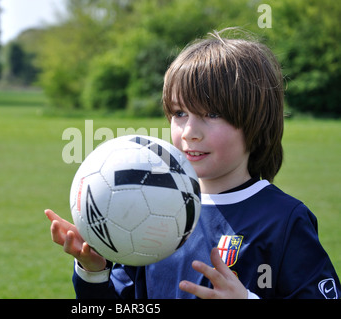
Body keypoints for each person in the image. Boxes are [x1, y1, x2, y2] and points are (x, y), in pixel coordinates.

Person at [44, 28, 340, 299]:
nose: (189, 133)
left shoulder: (283, 219)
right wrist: (94, 272)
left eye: (211, 114)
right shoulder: (147, 208)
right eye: (179, 113)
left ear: (255, 122)